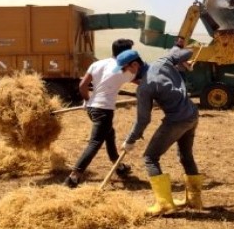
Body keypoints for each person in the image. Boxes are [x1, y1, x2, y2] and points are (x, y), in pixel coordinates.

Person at [117, 48, 203, 216]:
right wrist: (185, 63)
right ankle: (194, 200)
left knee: (150, 158)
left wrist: (130, 140)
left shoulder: (144, 88)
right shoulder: (162, 61)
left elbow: (143, 120)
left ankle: (164, 204)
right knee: (186, 156)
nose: (122, 74)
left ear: (134, 65)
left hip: (177, 120)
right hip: (192, 114)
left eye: (123, 70)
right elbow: (188, 52)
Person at [62, 38, 136, 188]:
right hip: (104, 110)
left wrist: (87, 101)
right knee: (95, 142)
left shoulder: (97, 64)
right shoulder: (125, 70)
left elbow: (83, 85)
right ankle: (73, 177)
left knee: (109, 134)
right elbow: (142, 82)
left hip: (92, 108)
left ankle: (119, 167)